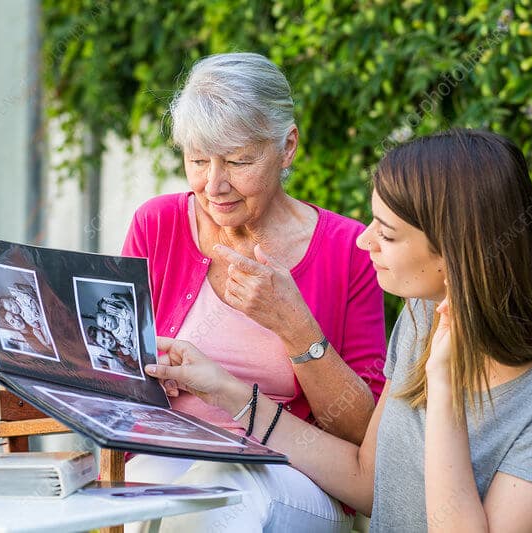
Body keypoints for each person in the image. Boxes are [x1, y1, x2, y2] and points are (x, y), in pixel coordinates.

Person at [145, 129, 532, 532]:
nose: (363, 239)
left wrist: (443, 385)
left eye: (387, 233)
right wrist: (226, 390)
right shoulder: (421, 316)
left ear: (454, 253)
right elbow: (366, 479)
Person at [121, 52, 386, 532]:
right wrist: (139, 377)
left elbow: (365, 432)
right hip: (166, 454)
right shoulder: (156, 224)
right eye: (198, 160)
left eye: (239, 160)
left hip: (290, 474)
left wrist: (293, 325)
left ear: (287, 148)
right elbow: (113, 374)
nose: (215, 185)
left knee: (218, 504)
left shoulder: (349, 250)